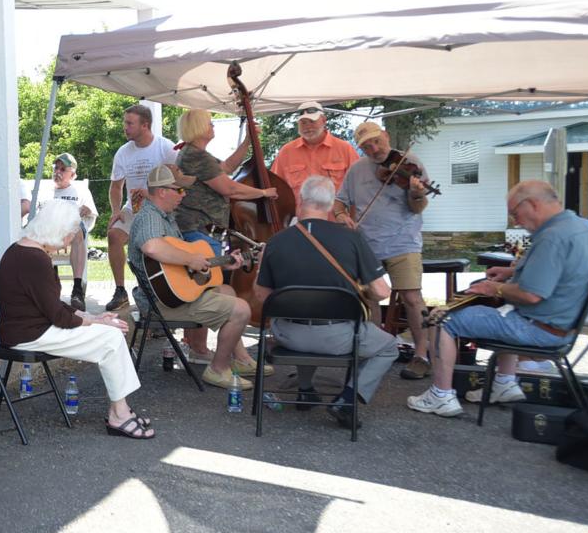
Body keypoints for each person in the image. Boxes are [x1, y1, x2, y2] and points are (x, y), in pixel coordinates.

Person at [408, 180, 588, 418]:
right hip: (566, 323)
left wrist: (494, 288)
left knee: (442, 319)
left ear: (533, 204)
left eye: (516, 213)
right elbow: (564, 272)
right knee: (505, 307)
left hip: (542, 327)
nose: (516, 221)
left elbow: (530, 295)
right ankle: (504, 384)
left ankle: (441, 395)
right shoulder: (584, 227)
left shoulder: (552, 238)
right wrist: (511, 273)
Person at [0, 200, 155, 439]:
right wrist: (97, 322)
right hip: (29, 334)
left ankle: (120, 409)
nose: (71, 242)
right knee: (111, 337)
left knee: (110, 335)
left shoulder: (19, 249)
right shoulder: (35, 259)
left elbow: (50, 305)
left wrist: (90, 316)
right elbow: (58, 316)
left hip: (27, 328)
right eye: (71, 236)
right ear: (59, 231)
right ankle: (119, 414)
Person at [255, 176, 398, 428]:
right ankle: (347, 399)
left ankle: (305, 390)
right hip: (339, 337)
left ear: (301, 200)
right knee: (389, 347)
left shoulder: (276, 242)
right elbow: (382, 291)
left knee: (302, 310)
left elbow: (262, 296)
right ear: (332, 205)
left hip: (288, 335)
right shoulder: (352, 238)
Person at [128, 165, 268, 387]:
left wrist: (223, 263)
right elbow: (152, 248)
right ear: (163, 191)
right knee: (242, 309)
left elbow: (178, 268)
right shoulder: (150, 217)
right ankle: (217, 369)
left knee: (228, 291)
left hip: (169, 296)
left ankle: (240, 359)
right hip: (161, 303)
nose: (184, 195)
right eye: (179, 190)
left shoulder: (165, 217)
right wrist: (190, 259)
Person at [173, 109, 274, 363]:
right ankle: (199, 349)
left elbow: (227, 167)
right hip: (200, 231)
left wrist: (248, 142)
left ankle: (202, 348)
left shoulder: (196, 155)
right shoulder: (195, 156)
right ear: (198, 127)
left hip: (203, 231)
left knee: (207, 288)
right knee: (207, 290)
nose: (213, 125)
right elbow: (228, 187)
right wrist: (263, 193)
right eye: (209, 122)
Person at [334, 121, 432, 380]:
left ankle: (422, 354)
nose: (374, 148)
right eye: (366, 146)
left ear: (386, 136)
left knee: (412, 298)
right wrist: (342, 215)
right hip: (367, 243)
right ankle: (374, 350)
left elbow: (418, 208)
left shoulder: (411, 163)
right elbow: (339, 202)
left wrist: (416, 193)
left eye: (377, 141)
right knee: (369, 297)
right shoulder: (356, 170)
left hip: (403, 242)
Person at [106, 104, 192, 311]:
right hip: (133, 208)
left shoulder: (165, 148)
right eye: (125, 122)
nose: (124, 127)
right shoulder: (123, 152)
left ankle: (157, 293)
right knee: (114, 236)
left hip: (159, 209)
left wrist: (152, 193)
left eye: (129, 123)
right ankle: (120, 291)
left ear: (145, 125)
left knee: (153, 250)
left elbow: (180, 181)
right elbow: (116, 186)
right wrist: (116, 211)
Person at [40, 153, 98, 310]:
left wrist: (85, 210)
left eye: (62, 169)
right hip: (51, 232)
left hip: (72, 232)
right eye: (56, 168)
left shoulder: (80, 191)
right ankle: (48, 288)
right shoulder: (46, 190)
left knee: (77, 229)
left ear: (72, 175)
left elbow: (90, 214)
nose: (57, 171)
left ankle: (77, 289)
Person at [270, 101, 359, 196]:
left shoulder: (345, 149)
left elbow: (359, 184)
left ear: (324, 120)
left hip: (336, 211)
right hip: (299, 211)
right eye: (303, 122)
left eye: (312, 121)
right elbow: (274, 187)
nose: (308, 127)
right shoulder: (286, 152)